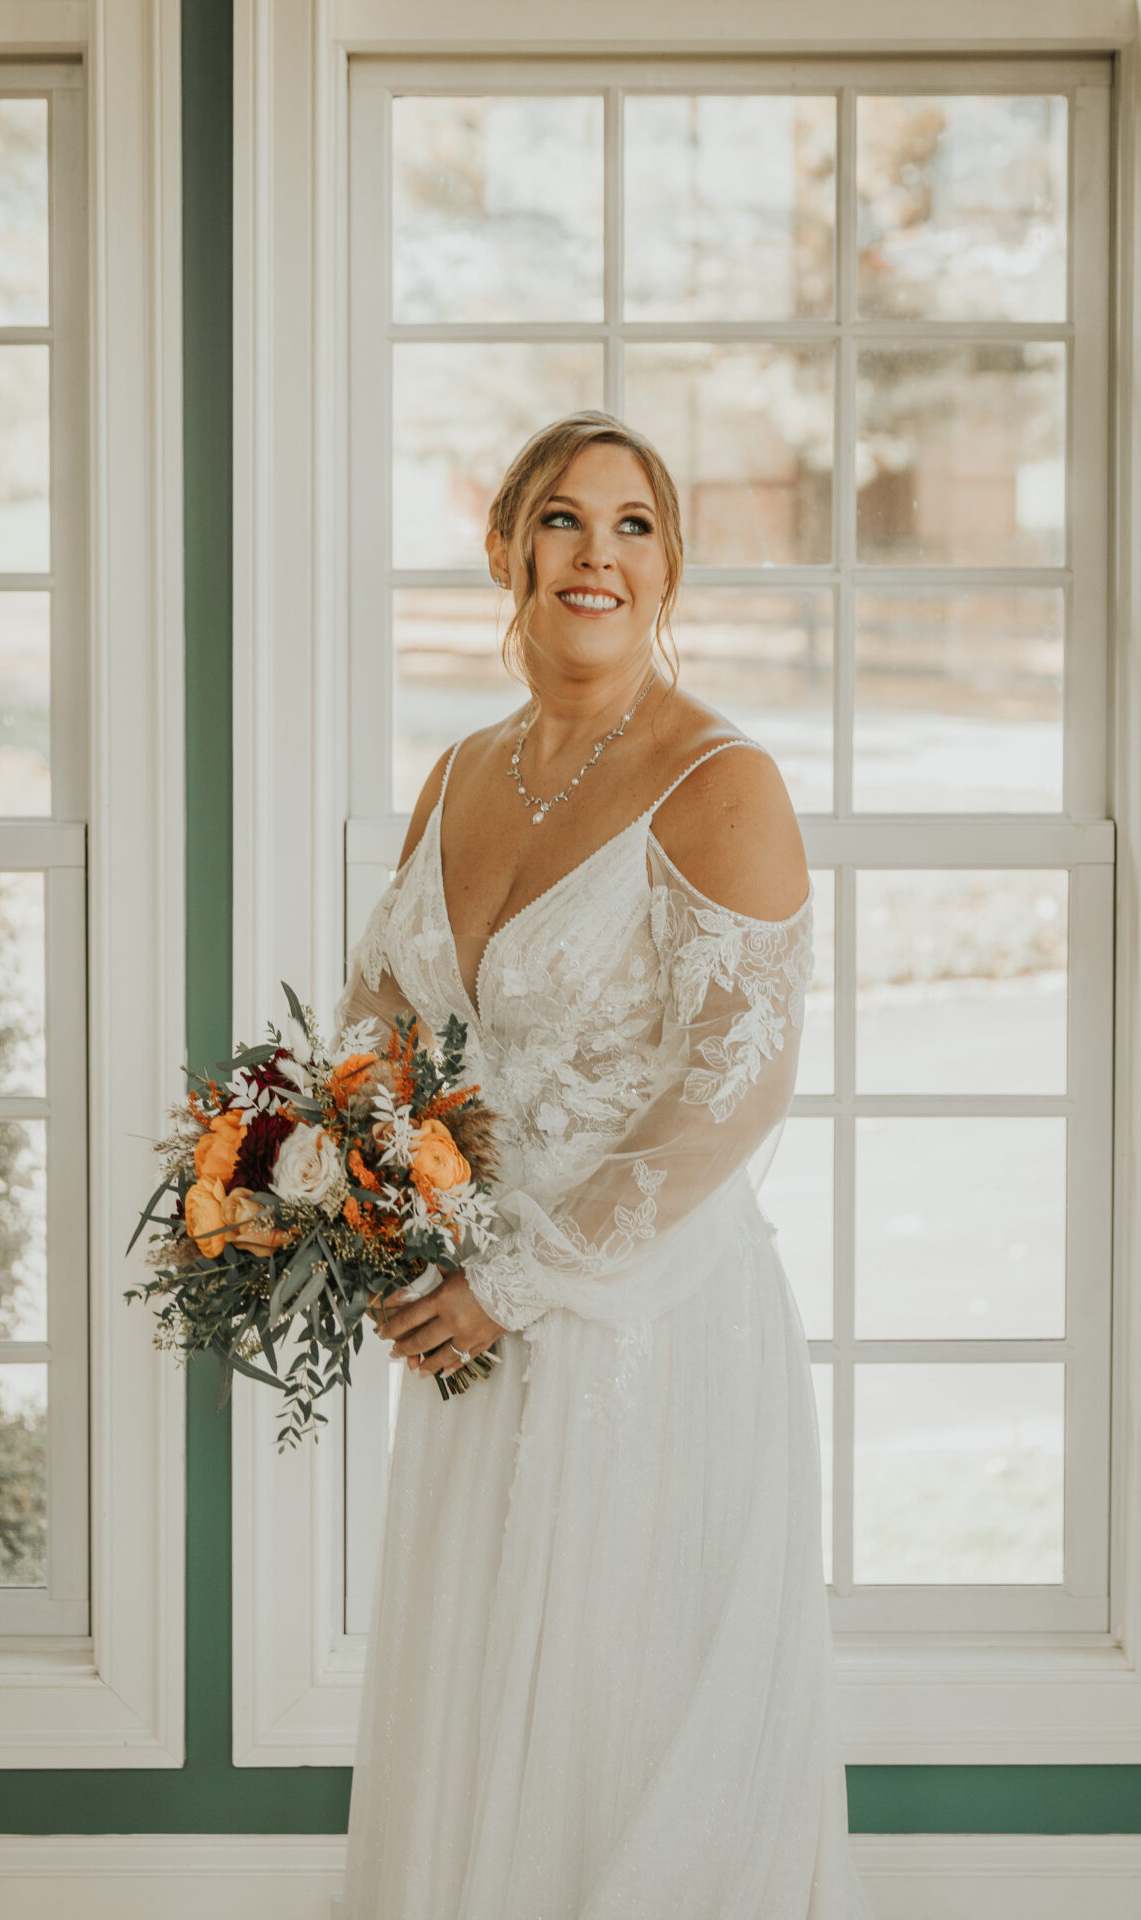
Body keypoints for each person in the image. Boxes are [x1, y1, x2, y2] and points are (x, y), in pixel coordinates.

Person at [333, 410, 875, 1918]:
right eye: (564, 519)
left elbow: (736, 1088)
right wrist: (363, 1195)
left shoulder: (722, 781)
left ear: (670, 567)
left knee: (619, 1719)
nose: (596, 553)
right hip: (469, 1330)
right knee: (483, 1707)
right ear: (508, 546)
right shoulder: (457, 773)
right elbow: (383, 1021)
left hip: (641, 1320)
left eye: (634, 525)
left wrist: (517, 1275)